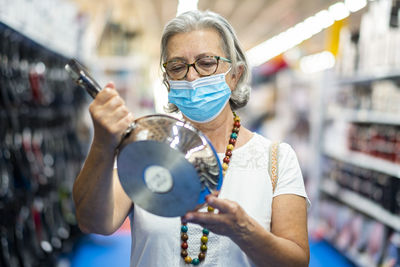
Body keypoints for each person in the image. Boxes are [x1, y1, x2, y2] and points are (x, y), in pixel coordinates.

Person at [73, 10, 310, 267]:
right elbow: (92, 221)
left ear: (236, 74)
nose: (191, 76)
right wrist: (103, 143)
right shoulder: (145, 151)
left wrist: (245, 231)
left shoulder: (276, 159)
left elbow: (296, 261)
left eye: (207, 63)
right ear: (167, 81)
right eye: (177, 67)